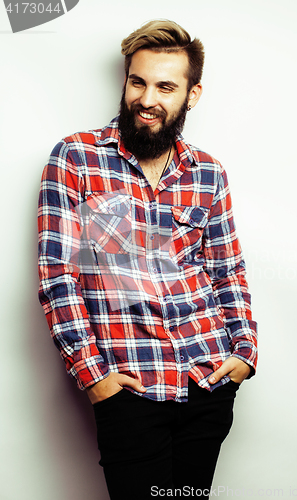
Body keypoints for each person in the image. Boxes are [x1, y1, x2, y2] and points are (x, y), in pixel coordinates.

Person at [38, 19, 258, 500]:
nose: (147, 98)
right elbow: (59, 276)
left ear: (191, 94)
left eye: (165, 86)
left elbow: (227, 270)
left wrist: (244, 352)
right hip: (130, 387)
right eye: (137, 81)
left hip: (207, 378)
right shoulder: (75, 159)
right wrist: (94, 376)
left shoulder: (207, 172)